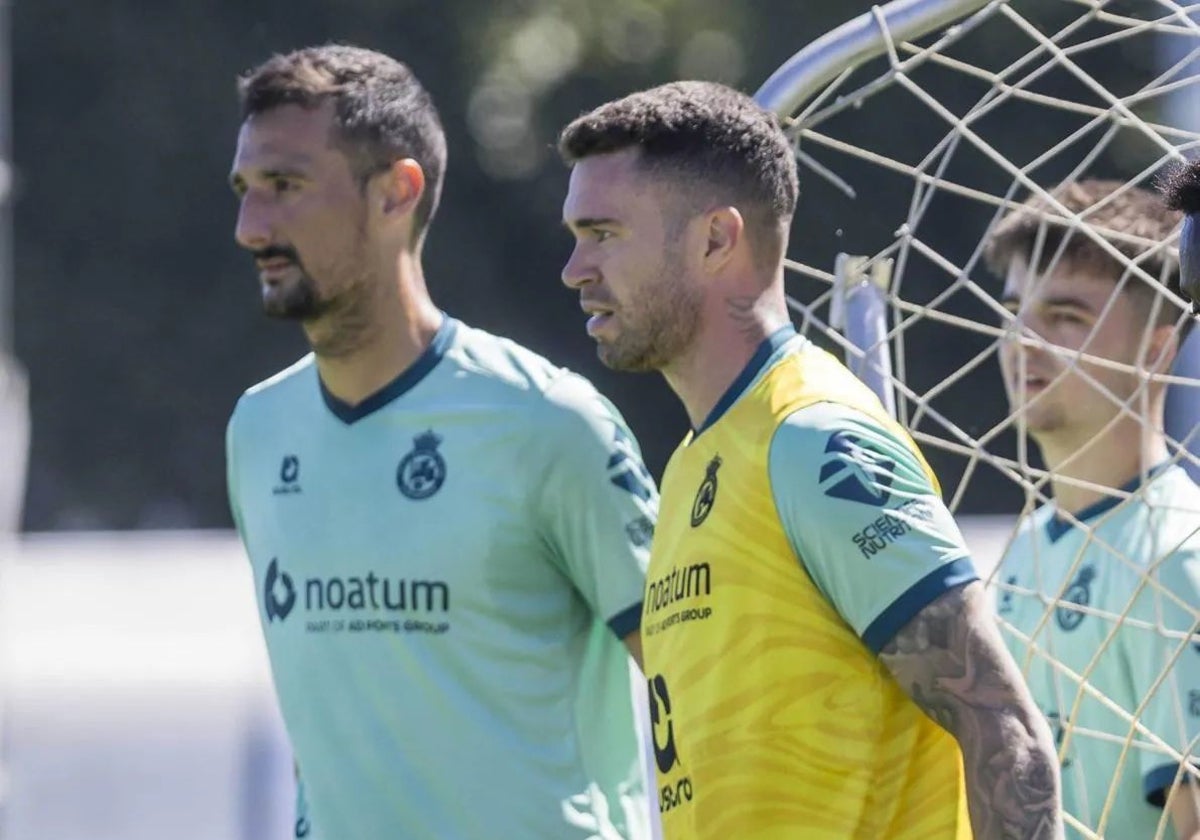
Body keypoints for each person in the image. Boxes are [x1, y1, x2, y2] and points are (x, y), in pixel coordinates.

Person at [557, 80, 1061, 839]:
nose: (575, 268)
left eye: (604, 233)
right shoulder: (694, 464)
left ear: (716, 239)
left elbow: (1007, 736)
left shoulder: (816, 437)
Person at [224, 45, 657, 839]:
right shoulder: (258, 429)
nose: (252, 227)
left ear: (397, 191)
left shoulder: (550, 423)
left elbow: (705, 687)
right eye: (245, 192)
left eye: (284, 187)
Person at [986, 178, 1200, 839]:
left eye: (1064, 317)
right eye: (1016, 310)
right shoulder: (1026, 548)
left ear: (1157, 349)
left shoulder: (1176, 554)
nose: (1024, 338)